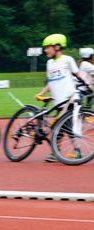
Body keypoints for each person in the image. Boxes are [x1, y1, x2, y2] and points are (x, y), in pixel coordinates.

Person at [35, 34, 91, 162]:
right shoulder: (49, 63)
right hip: (58, 101)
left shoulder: (67, 59)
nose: (45, 50)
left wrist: (87, 85)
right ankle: (58, 152)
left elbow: (77, 74)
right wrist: (42, 93)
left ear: (57, 47)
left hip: (69, 99)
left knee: (66, 126)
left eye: (48, 47)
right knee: (60, 127)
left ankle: (76, 151)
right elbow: (51, 81)